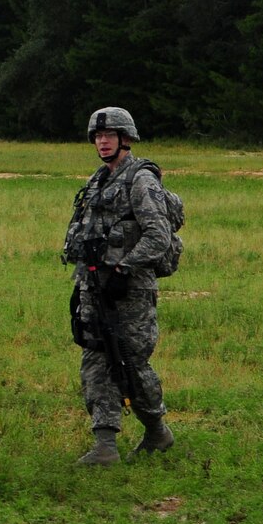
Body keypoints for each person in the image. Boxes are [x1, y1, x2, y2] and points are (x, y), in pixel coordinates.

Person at [62, 107, 175, 466]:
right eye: (98, 136)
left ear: (126, 139)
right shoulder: (98, 180)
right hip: (96, 288)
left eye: (109, 135)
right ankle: (105, 445)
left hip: (131, 291)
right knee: (96, 359)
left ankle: (157, 430)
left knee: (131, 363)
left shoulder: (140, 181)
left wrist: (125, 270)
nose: (102, 141)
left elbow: (159, 235)